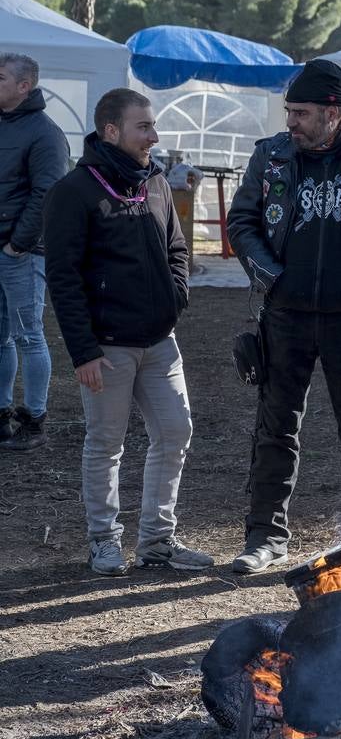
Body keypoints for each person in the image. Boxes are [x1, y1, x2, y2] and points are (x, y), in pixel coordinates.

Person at [227, 59, 341, 574]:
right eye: (289, 111)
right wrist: (272, 275)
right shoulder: (270, 156)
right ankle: (265, 537)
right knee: (275, 426)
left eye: (302, 113)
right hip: (284, 314)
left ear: (333, 112)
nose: (291, 123)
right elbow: (241, 221)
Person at [43, 88, 213, 576]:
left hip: (160, 342)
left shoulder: (155, 182)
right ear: (111, 131)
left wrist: (174, 297)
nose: (154, 137)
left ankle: (158, 542)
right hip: (106, 348)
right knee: (105, 445)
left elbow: (177, 249)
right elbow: (63, 280)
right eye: (144, 127)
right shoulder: (73, 193)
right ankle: (103, 540)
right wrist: (84, 352)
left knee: (175, 431)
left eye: (153, 127)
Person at [0, 53, 69, 450]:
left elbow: (48, 194)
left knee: (29, 336)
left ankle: (34, 421)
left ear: (24, 86)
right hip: (4, 248)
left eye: (1, 77)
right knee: (1, 338)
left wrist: (16, 245)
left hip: (22, 253)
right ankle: (3, 415)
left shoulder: (45, 132)